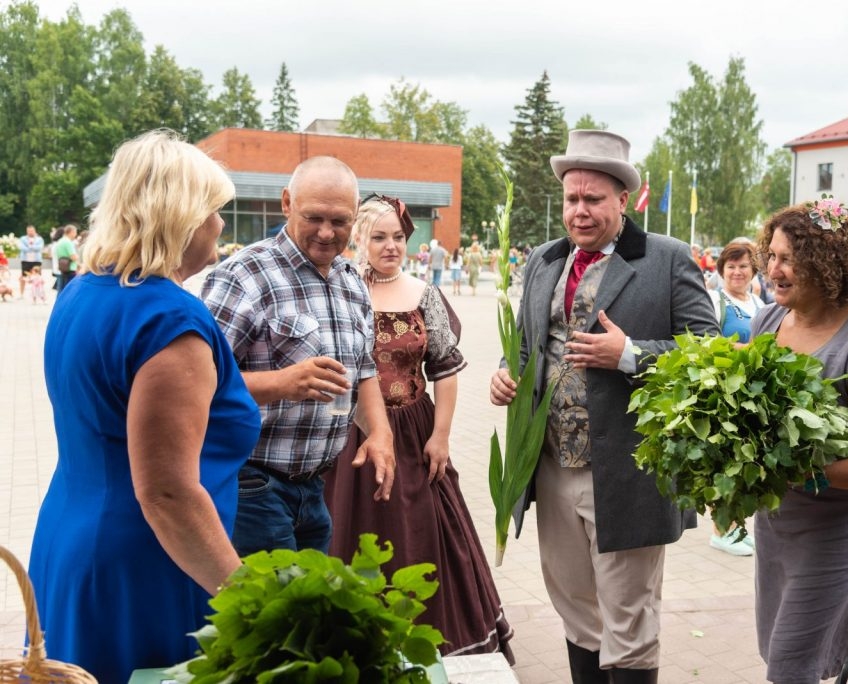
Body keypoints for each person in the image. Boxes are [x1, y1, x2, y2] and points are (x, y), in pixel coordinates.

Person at [27, 130, 262, 683]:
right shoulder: (170, 321)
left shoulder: (82, 293)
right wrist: (249, 601)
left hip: (69, 535)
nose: (220, 225)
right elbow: (167, 492)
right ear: (182, 216)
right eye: (214, 210)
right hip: (148, 562)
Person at [489, 129, 718, 683]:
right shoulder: (545, 260)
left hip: (628, 472)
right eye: (572, 198)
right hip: (550, 467)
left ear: (623, 199)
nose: (580, 210)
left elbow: (711, 352)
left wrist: (630, 354)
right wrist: (506, 374)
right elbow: (527, 345)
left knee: (628, 616)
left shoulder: (666, 259)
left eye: (593, 199)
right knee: (577, 610)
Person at [323, 193, 514, 661]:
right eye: (380, 237)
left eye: (400, 237)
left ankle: (429, 636)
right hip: (352, 435)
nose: (392, 246)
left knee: (420, 530)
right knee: (348, 527)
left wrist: (442, 435)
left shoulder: (424, 295)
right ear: (360, 239)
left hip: (413, 431)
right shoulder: (339, 290)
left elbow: (445, 370)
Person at [201, 155, 395, 557]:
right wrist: (282, 383)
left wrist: (379, 432)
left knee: (305, 614)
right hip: (253, 485)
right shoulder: (244, 276)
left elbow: (363, 372)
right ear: (287, 203)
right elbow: (197, 384)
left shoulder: (351, 282)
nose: (326, 233)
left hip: (313, 488)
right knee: (273, 614)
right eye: (314, 217)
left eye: (340, 221)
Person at [751, 200, 848, 683]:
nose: (772, 270)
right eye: (771, 256)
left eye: (787, 260)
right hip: (777, 523)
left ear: (825, 265)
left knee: (792, 663)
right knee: (780, 650)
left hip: (835, 532)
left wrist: (795, 469)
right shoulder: (768, 322)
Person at [707, 240, 764, 556]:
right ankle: (720, 530)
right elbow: (706, 342)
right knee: (724, 461)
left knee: (745, 461)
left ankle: (737, 526)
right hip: (722, 393)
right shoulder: (715, 301)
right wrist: (747, 350)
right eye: (731, 266)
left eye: (743, 266)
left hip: (750, 394)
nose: (738, 272)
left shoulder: (758, 303)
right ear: (721, 270)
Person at [18, 224, 44, 298]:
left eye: (32, 231)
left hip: (37, 260)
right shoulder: (23, 239)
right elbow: (22, 248)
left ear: (34, 230)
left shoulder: (39, 239)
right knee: (23, 277)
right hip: (26, 260)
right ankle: (21, 294)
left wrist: (29, 247)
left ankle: (39, 294)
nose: (30, 232)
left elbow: (39, 248)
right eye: (28, 231)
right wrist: (32, 248)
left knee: (38, 277)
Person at [53, 224, 78, 293]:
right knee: (71, 290)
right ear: (71, 232)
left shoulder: (60, 241)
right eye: (75, 232)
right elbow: (73, 256)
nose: (76, 234)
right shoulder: (68, 242)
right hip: (71, 268)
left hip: (63, 268)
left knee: (63, 290)